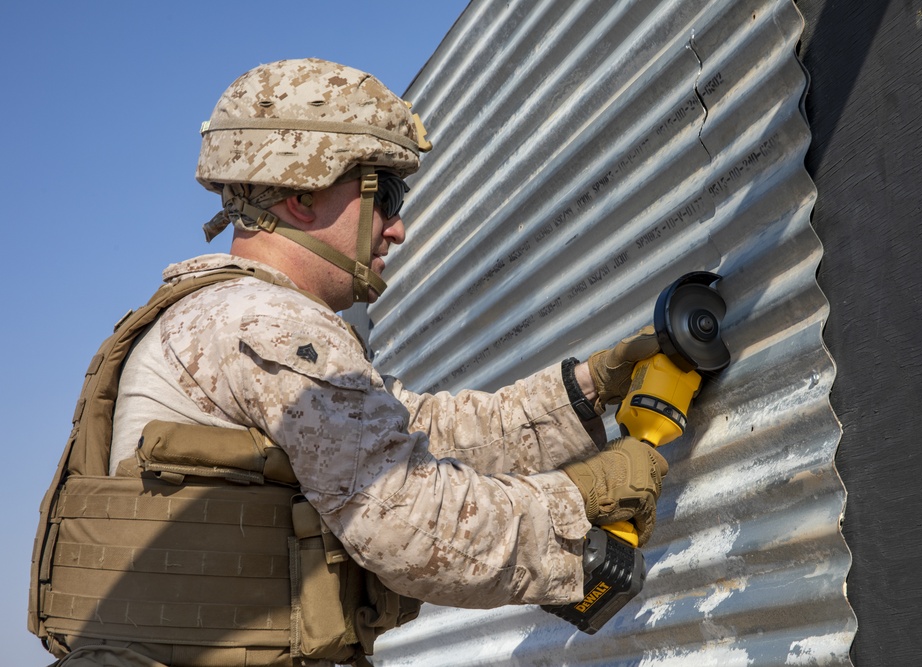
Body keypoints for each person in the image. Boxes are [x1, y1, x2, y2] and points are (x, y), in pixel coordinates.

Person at [31, 58, 669, 667]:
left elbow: (411, 432)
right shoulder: (268, 323)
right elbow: (406, 519)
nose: (396, 229)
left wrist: (586, 389)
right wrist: (583, 498)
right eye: (384, 194)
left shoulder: (226, 315)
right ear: (301, 197)